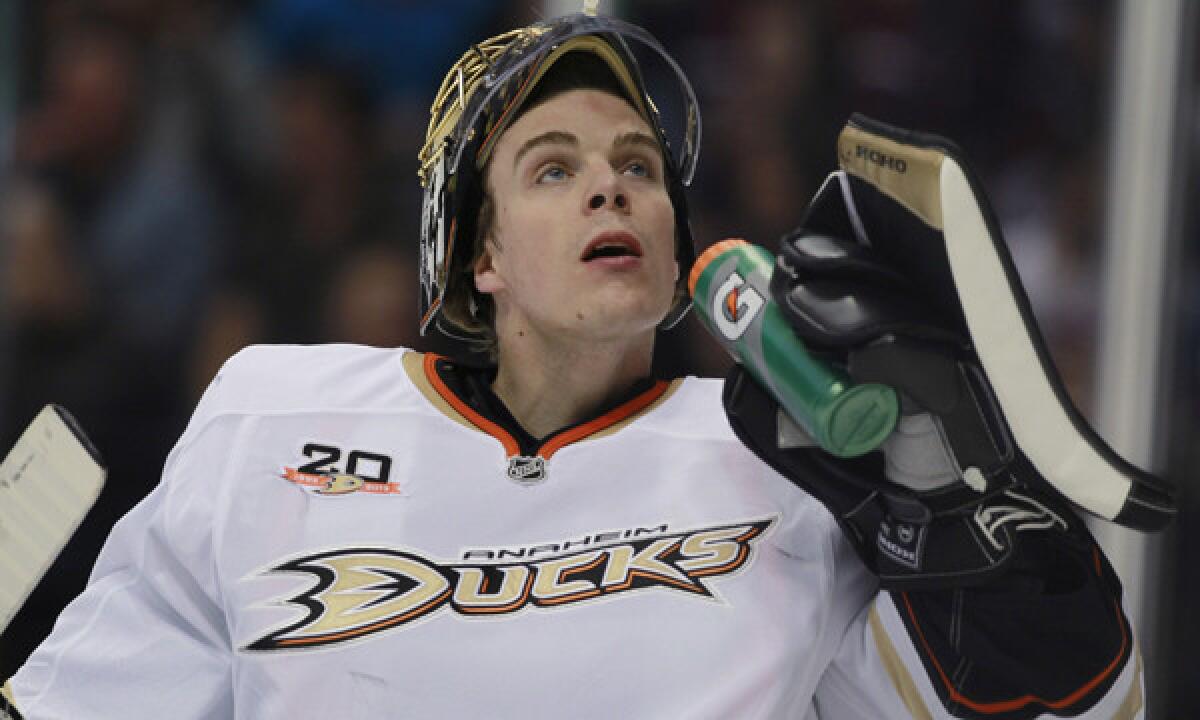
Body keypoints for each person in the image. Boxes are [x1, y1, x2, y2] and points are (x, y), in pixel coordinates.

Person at [3, 11, 1152, 719]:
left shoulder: (793, 467)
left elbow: (1065, 712)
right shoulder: (269, 420)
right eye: (553, 169)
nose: (613, 187)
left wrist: (991, 556)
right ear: (478, 258)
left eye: (639, 166)